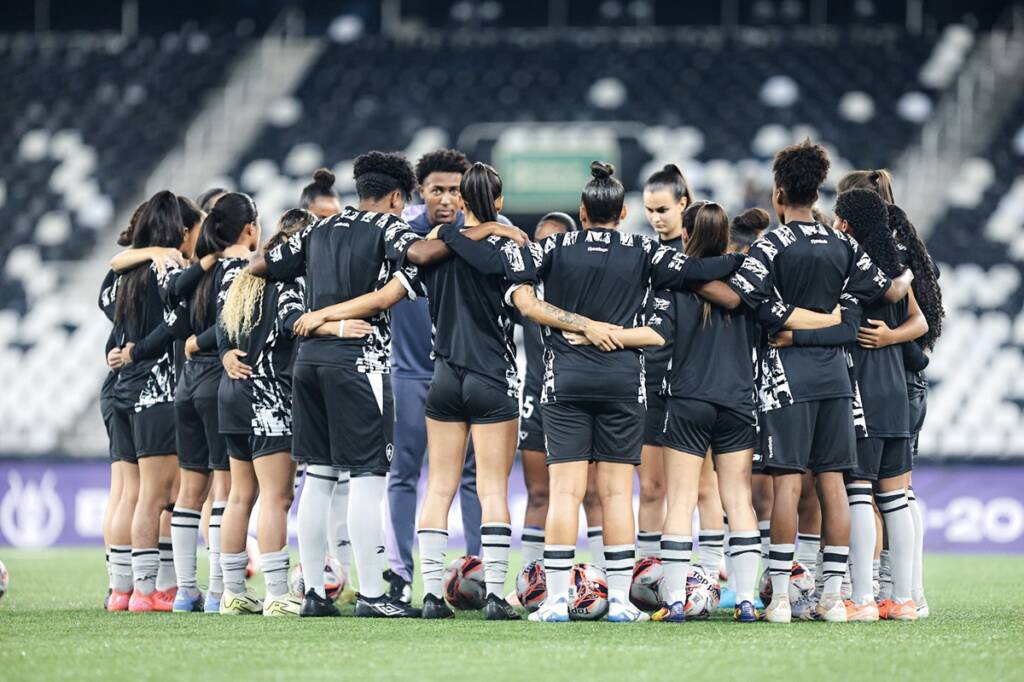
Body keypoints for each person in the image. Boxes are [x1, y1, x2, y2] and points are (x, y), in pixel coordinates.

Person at [251, 151, 520, 618]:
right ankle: (374, 595)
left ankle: (314, 593)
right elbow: (420, 252)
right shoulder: (386, 226)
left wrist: (318, 316)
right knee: (369, 479)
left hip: (308, 361)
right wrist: (487, 228)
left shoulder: (316, 228)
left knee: (318, 478)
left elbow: (260, 266)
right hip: (360, 363)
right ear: (397, 196)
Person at [521, 162, 744, 623]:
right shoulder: (643, 249)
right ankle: (621, 600)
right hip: (624, 381)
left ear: (582, 212)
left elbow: (519, 287)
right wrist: (749, 260)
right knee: (618, 494)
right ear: (623, 212)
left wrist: (581, 325)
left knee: (565, 493)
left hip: (565, 380)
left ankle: (558, 601)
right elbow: (702, 268)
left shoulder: (554, 245)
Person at [721, 140, 913, 624]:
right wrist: (908, 274)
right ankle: (834, 599)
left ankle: (782, 599)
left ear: (779, 191)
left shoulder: (770, 245)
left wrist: (797, 326)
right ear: (819, 189)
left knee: (788, 483)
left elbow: (754, 305)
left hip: (786, 379)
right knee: (834, 483)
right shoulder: (843, 243)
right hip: (838, 378)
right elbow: (882, 293)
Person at [643, 203, 841, 623]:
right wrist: (830, 319)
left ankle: (676, 599)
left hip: (687, 399)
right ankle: (747, 599)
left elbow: (657, 338)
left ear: (688, 234)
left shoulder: (674, 281)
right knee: (739, 501)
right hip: (738, 402)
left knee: (680, 502)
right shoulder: (751, 282)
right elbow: (781, 319)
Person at [837, 169, 944, 618]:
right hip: (899, 388)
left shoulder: (847, 264)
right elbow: (922, 323)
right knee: (898, 496)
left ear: (848, 221)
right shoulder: (899, 267)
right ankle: (906, 597)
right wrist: (893, 336)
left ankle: (860, 596)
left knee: (860, 492)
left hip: (861, 385)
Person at [385, 148, 481, 603]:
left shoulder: (480, 236)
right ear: (419, 193)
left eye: (455, 190)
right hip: (410, 372)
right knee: (404, 473)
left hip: (464, 371)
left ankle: (478, 572)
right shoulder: (399, 236)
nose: (446, 199)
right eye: (436, 189)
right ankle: (400, 576)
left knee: (472, 476)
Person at [216, 207, 322, 616]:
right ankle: (278, 593)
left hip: (232, 393)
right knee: (276, 498)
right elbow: (296, 330)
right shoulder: (289, 281)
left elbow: (224, 332)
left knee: (239, 495)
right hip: (270, 398)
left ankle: (232, 592)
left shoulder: (245, 278)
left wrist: (226, 353)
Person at [108, 191, 192, 612]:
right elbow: (178, 323)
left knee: (131, 493)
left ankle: (122, 590)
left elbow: (108, 305)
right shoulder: (168, 267)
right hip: (156, 388)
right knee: (159, 496)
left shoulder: (126, 275)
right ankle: (149, 590)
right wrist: (140, 350)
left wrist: (124, 350)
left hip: (122, 388)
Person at [635, 164, 692, 559]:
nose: (655, 218)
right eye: (650, 210)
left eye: (663, 210)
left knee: (701, 490)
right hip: (652, 381)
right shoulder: (642, 255)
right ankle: (647, 573)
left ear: (683, 204)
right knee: (652, 487)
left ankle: (705, 572)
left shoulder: (702, 255)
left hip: (693, 385)